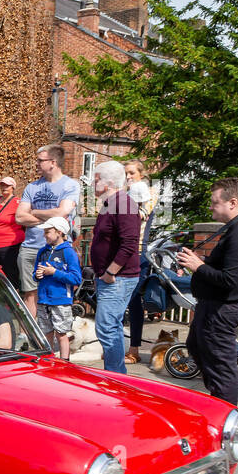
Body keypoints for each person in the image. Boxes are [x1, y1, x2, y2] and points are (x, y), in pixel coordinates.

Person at [176, 177, 238, 406]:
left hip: (222, 308)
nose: (210, 206)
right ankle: (218, 406)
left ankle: (225, 418)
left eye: (214, 202)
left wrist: (198, 266)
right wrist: (200, 265)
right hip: (216, 306)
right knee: (197, 347)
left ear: (233, 202)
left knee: (221, 369)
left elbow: (230, 279)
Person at [89, 160, 142, 374]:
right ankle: (116, 374)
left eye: (95, 180)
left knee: (107, 328)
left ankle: (116, 377)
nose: (92, 185)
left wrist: (111, 271)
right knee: (110, 327)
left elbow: (130, 242)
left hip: (118, 278)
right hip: (111, 277)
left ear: (108, 183)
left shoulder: (124, 204)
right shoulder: (110, 204)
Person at [16, 144, 80, 314]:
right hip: (30, 247)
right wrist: (51, 220)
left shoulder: (70, 185)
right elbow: (19, 217)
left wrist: (34, 211)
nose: (36, 163)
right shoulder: (32, 187)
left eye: (40, 160)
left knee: (56, 293)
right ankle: (32, 335)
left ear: (52, 162)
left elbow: (63, 212)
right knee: (29, 293)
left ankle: (52, 335)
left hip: (57, 248)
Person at [124, 161, 159, 364]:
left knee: (133, 299)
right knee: (119, 301)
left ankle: (134, 349)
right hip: (122, 252)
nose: (128, 177)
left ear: (141, 174)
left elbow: (138, 216)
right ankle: (118, 345)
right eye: (125, 173)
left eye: (132, 173)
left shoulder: (149, 193)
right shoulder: (125, 195)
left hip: (138, 252)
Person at [34, 215, 82, 360]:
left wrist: (54, 272)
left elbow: (76, 278)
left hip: (60, 300)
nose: (45, 235)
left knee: (61, 334)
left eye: (48, 231)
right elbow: (35, 274)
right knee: (45, 333)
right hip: (43, 299)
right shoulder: (42, 252)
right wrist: (37, 275)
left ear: (59, 232)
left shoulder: (68, 252)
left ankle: (64, 361)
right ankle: (47, 360)